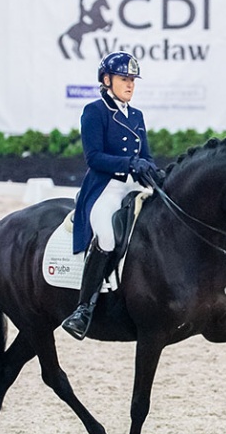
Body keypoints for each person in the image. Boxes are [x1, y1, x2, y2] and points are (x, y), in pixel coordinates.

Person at [61, 51, 157, 340]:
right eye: (124, 79)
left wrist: (153, 171)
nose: (130, 85)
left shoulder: (137, 115)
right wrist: (129, 164)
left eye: (132, 80)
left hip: (135, 186)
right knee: (105, 234)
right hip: (107, 187)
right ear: (107, 80)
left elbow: (147, 156)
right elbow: (93, 157)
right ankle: (84, 309)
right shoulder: (95, 111)